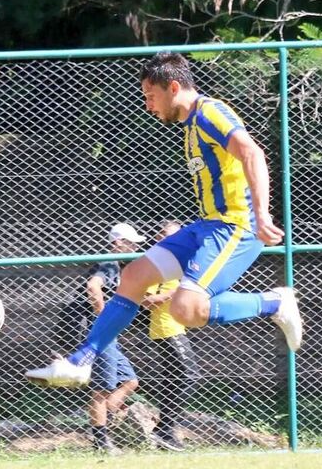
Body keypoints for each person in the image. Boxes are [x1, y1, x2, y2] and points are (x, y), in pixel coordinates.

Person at [25, 51, 302, 390]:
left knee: (185, 309)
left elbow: (252, 152)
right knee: (133, 277)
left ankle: (275, 302)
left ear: (173, 87)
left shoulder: (210, 112)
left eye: (150, 96)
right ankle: (80, 361)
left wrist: (261, 212)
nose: (147, 105)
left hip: (236, 226)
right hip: (207, 226)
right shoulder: (190, 125)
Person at [142, 220, 201, 452]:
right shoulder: (157, 264)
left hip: (176, 325)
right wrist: (180, 290)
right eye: (166, 235)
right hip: (166, 327)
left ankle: (164, 431)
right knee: (189, 376)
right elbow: (148, 299)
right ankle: (164, 429)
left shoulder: (180, 261)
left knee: (175, 379)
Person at [85, 222, 141, 453]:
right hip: (100, 333)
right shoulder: (108, 263)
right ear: (117, 243)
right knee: (102, 388)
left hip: (108, 335)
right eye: (130, 243)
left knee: (130, 381)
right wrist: (104, 320)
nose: (134, 247)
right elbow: (93, 287)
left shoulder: (118, 267)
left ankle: (101, 423)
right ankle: (101, 441)